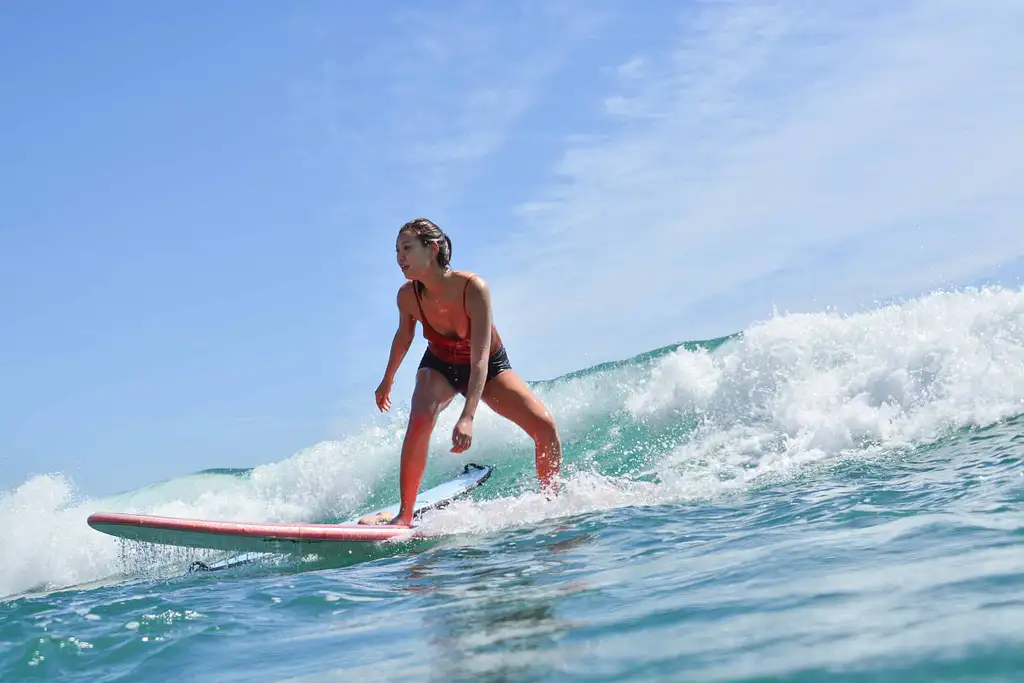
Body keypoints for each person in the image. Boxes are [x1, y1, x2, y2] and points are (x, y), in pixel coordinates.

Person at [359, 218, 561, 526]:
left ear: (433, 249)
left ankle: (551, 501)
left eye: (407, 248)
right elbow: (404, 336)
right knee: (421, 417)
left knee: (544, 427)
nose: (400, 257)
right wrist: (387, 379)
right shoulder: (407, 296)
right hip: (440, 363)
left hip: (487, 365)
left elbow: (479, 358)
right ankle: (404, 515)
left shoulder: (473, 288)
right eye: (397, 250)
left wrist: (467, 416)